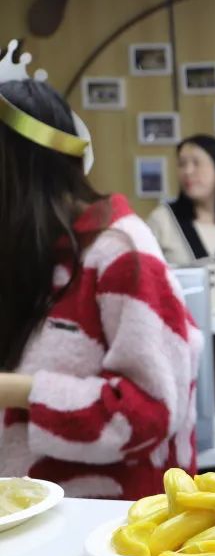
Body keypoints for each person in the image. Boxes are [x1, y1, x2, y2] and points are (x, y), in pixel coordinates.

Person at [0, 75, 202, 500]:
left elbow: (150, 412)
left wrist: (18, 391)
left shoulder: (119, 251)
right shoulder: (23, 250)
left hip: (109, 530)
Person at [146, 134, 215, 313]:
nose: (188, 171)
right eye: (182, 164)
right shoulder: (162, 219)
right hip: (182, 329)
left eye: (197, 163)